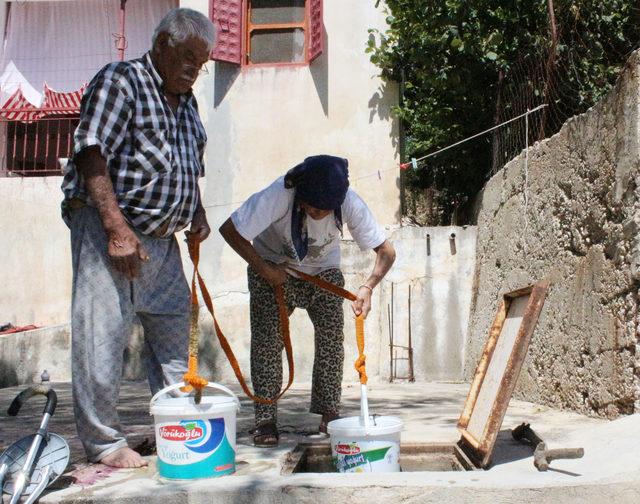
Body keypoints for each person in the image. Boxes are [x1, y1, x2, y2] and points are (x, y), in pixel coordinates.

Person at [60, 8, 215, 468]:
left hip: (164, 243)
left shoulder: (187, 102)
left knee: (175, 340)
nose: (194, 68)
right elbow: (90, 149)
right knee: (102, 338)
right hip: (112, 230)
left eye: (202, 62)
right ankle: (106, 445)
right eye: (188, 56)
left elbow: (189, 166)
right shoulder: (121, 80)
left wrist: (197, 212)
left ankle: (181, 424)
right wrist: (115, 227)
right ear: (163, 43)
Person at [219, 155, 396, 447]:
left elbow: (386, 251)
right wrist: (265, 270)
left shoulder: (349, 201)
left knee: (331, 340)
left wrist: (368, 287)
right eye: (313, 206)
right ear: (300, 194)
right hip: (273, 267)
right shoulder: (278, 194)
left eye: (326, 209)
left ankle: (329, 414)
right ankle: (265, 419)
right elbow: (230, 230)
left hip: (323, 274)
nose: (318, 213)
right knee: (267, 342)